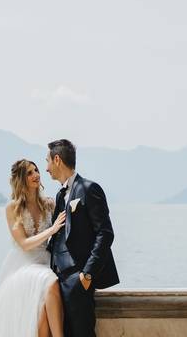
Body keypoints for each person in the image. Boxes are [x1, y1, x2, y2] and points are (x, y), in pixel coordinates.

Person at [0, 159, 68, 337]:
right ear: (21, 179)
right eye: (29, 173)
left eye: (36, 170)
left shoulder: (48, 204)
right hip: (23, 265)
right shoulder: (12, 208)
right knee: (51, 282)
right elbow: (24, 244)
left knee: (43, 311)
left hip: (44, 262)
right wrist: (52, 229)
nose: (36, 175)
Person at [45, 139, 119, 337]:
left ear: (57, 159)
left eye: (48, 161)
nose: (46, 168)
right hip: (57, 280)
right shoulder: (60, 196)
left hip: (77, 279)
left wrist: (86, 275)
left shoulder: (88, 189)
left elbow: (105, 233)